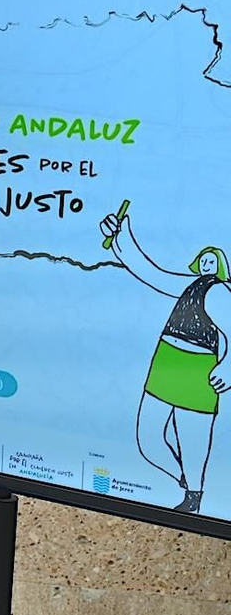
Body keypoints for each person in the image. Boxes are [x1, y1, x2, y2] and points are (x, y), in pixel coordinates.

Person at [101, 208, 228, 513]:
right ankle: (184, 479)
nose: (207, 265)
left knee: (193, 441)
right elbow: (153, 274)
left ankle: (194, 497)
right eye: (204, 260)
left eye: (213, 261)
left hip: (197, 371)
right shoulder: (189, 286)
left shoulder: (221, 292)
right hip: (165, 362)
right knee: (147, 438)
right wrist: (122, 238)